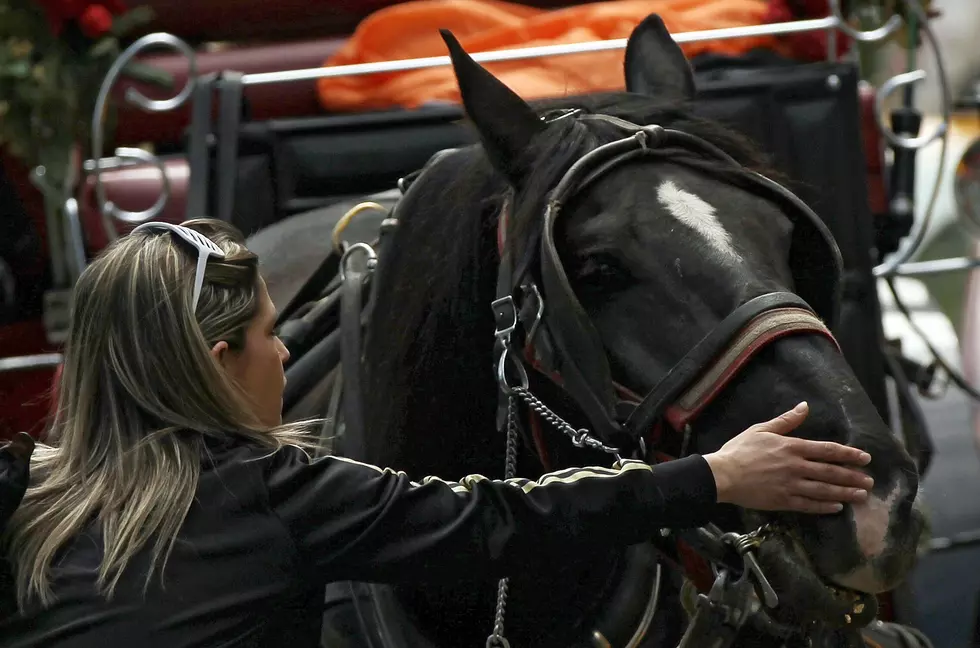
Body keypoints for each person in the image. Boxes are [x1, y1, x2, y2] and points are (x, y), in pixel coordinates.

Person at [0, 219, 874, 648]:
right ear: (222, 360)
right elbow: (499, 520)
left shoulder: (21, 493)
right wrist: (716, 476)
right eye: (273, 333)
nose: (282, 352)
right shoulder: (273, 494)